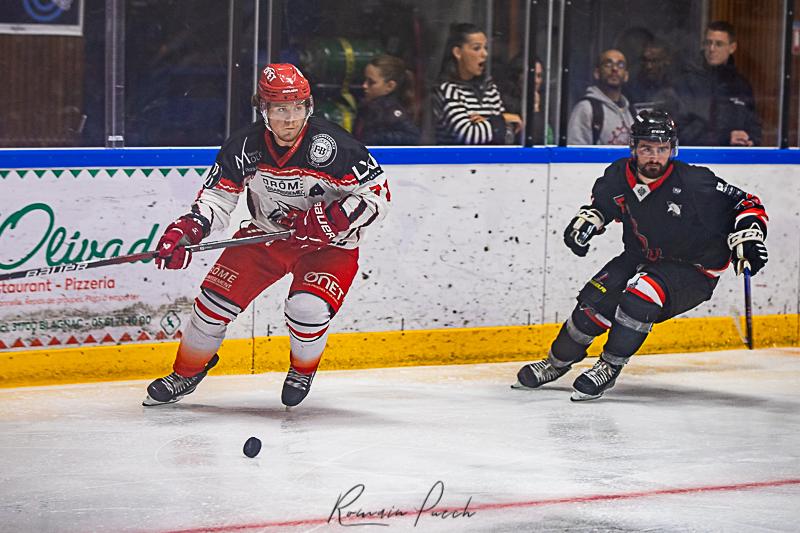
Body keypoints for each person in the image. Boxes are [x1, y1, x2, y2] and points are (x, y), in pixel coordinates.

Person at [143, 63, 391, 408]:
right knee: (211, 306)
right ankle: (186, 373)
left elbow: (377, 196)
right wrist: (189, 230)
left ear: (310, 107)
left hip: (330, 247)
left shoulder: (335, 146)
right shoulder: (244, 147)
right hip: (266, 238)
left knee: (307, 308)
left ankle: (302, 369)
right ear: (264, 110)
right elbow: (218, 197)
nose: (290, 119)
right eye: (280, 109)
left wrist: (328, 220)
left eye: (298, 108)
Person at [513, 110, 768, 401]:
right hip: (640, 256)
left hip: (693, 269)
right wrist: (589, 221)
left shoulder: (694, 182)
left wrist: (748, 236)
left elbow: (747, 203)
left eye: (662, 149)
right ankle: (554, 364)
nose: (654, 157)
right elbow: (606, 206)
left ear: (672, 150)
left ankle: (608, 367)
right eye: (647, 148)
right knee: (592, 307)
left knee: (640, 294)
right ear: (634, 148)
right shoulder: (618, 175)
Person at [433, 22, 523, 145]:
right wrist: (505, 118)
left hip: (491, 162)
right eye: (476, 48)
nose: (485, 54)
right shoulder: (447, 90)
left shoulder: (489, 87)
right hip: (457, 163)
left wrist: (486, 121)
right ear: (458, 53)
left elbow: (509, 135)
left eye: (485, 48)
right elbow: (469, 135)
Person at [675, 20, 761, 146]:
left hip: (736, 160)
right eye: (708, 43)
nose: (712, 49)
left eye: (719, 44)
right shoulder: (686, 82)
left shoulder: (741, 85)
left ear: (732, 48)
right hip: (697, 158)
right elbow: (680, 130)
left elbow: (754, 127)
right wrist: (725, 138)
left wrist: (750, 139)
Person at [567, 49, 635, 145]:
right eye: (608, 64)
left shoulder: (631, 112)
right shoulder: (586, 109)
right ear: (597, 73)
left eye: (620, 65)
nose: (614, 69)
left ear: (626, 76)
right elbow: (576, 154)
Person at [353, 54, 420, 145]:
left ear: (390, 86)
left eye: (371, 82)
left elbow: (413, 137)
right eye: (365, 80)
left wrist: (375, 138)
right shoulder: (367, 108)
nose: (364, 86)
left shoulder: (391, 112)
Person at [625, 39, 681, 118]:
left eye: (654, 61)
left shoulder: (678, 88)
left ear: (666, 61)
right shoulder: (630, 89)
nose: (649, 66)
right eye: (645, 61)